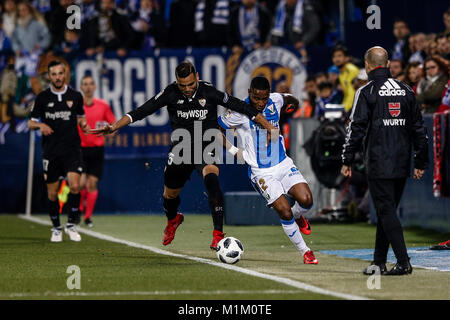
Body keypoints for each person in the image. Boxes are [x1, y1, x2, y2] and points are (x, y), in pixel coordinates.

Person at [93, 61, 276, 249]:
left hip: (207, 144)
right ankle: (173, 219)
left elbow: (242, 106)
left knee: (211, 178)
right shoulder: (170, 93)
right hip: (181, 148)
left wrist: (268, 127)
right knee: (169, 195)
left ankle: (218, 234)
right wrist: (114, 126)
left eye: (190, 84)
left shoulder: (209, 91)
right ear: (176, 82)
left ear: (196, 76)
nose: (187, 89)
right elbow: (142, 111)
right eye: (183, 85)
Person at [341, 46, 428, 275]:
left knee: (386, 211)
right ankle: (379, 261)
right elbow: (419, 129)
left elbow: (356, 129)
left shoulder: (366, 91)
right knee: (385, 210)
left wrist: (347, 159)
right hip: (402, 162)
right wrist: (421, 161)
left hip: (379, 161)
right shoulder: (407, 90)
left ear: (367, 66)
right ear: (388, 64)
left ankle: (403, 261)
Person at [218, 76, 318, 265]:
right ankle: (306, 251)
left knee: (307, 201)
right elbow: (216, 128)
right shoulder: (239, 111)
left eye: (264, 98)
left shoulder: (276, 100)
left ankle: (299, 217)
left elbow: (289, 98)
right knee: (285, 211)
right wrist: (234, 151)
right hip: (261, 172)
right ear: (249, 93)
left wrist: (292, 105)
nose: (260, 103)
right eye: (256, 98)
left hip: (283, 163)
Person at [28, 60, 90, 242]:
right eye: (53, 74)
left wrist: (84, 125)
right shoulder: (42, 98)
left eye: (60, 73)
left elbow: (81, 117)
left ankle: (71, 225)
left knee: (76, 186)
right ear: (49, 76)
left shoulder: (75, 96)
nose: (57, 77)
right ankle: (56, 228)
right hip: (51, 151)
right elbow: (30, 122)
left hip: (72, 149)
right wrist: (40, 125)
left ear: (65, 75)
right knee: (52, 193)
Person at [78, 75, 116, 227]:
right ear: (81, 87)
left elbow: (113, 125)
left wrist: (109, 131)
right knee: (80, 183)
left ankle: (87, 217)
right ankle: (78, 210)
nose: (88, 87)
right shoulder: (76, 106)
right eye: (85, 84)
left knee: (91, 184)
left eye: (90, 84)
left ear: (95, 87)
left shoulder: (103, 105)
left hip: (96, 149)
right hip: (79, 149)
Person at [331, 45, 359, 113]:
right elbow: (346, 95)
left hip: (354, 110)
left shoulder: (351, 70)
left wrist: (345, 110)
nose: (336, 59)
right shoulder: (341, 74)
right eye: (334, 56)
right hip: (348, 109)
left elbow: (352, 94)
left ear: (347, 58)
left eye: (339, 56)